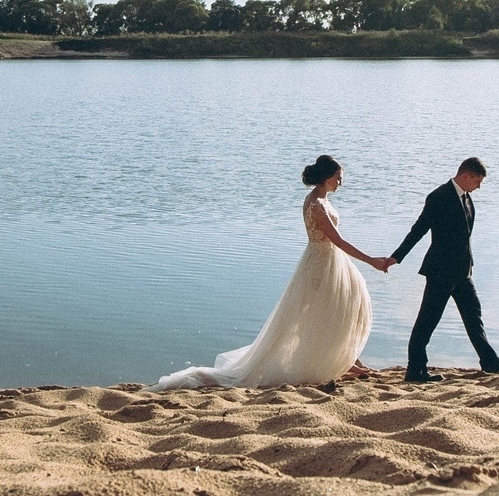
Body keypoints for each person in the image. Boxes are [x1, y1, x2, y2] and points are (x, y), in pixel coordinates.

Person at [157, 155, 390, 390]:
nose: (341, 182)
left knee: (339, 310)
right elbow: (337, 241)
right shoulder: (316, 205)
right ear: (327, 177)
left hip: (329, 261)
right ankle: (339, 361)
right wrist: (371, 261)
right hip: (321, 265)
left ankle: (347, 359)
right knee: (326, 313)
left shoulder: (320, 200)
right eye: (338, 178)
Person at [386, 156, 499, 383]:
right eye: (477, 181)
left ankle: (490, 361)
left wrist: (469, 264)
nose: (479, 187)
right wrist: (397, 257)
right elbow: (419, 229)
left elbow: (464, 237)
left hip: (462, 272)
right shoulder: (439, 197)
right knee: (427, 321)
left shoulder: (466, 197)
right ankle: (415, 370)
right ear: (466, 175)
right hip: (441, 272)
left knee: (473, 315)